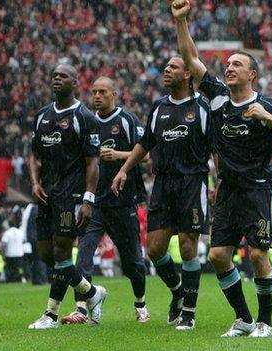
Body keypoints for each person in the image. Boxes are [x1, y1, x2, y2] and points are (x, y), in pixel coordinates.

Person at [172, 0, 272, 337]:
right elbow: (191, 60)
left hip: (258, 188)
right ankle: (244, 318)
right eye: (228, 64)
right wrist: (182, 21)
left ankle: (265, 323)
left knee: (259, 255)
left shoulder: (265, 105)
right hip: (228, 190)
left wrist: (267, 117)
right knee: (217, 255)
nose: (229, 68)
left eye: (236, 64)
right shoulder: (216, 97)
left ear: (252, 74)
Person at [112, 57, 211, 331]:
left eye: (173, 67)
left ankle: (188, 313)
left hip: (192, 182)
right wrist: (124, 169)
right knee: (154, 249)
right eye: (166, 66)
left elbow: (216, 147)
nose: (166, 70)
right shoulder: (158, 107)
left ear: (188, 74)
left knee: (188, 247)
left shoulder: (201, 107)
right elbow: (146, 143)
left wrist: (222, 180)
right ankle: (178, 291)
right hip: (163, 185)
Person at [60, 76, 149, 325]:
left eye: (102, 92)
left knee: (133, 262)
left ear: (114, 95)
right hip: (95, 203)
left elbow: (146, 154)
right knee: (84, 255)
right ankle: (81, 307)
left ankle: (140, 304)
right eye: (94, 92)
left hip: (122, 202)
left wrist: (117, 155)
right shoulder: (86, 121)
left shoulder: (127, 120)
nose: (97, 96)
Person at [27, 63, 107, 329]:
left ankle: (50, 314)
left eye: (63, 76)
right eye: (54, 76)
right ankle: (93, 293)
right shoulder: (42, 116)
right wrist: (35, 182)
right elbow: (34, 155)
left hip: (70, 193)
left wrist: (87, 199)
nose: (56, 79)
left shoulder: (84, 117)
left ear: (75, 82)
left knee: (62, 252)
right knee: (46, 253)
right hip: (46, 192)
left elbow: (92, 162)